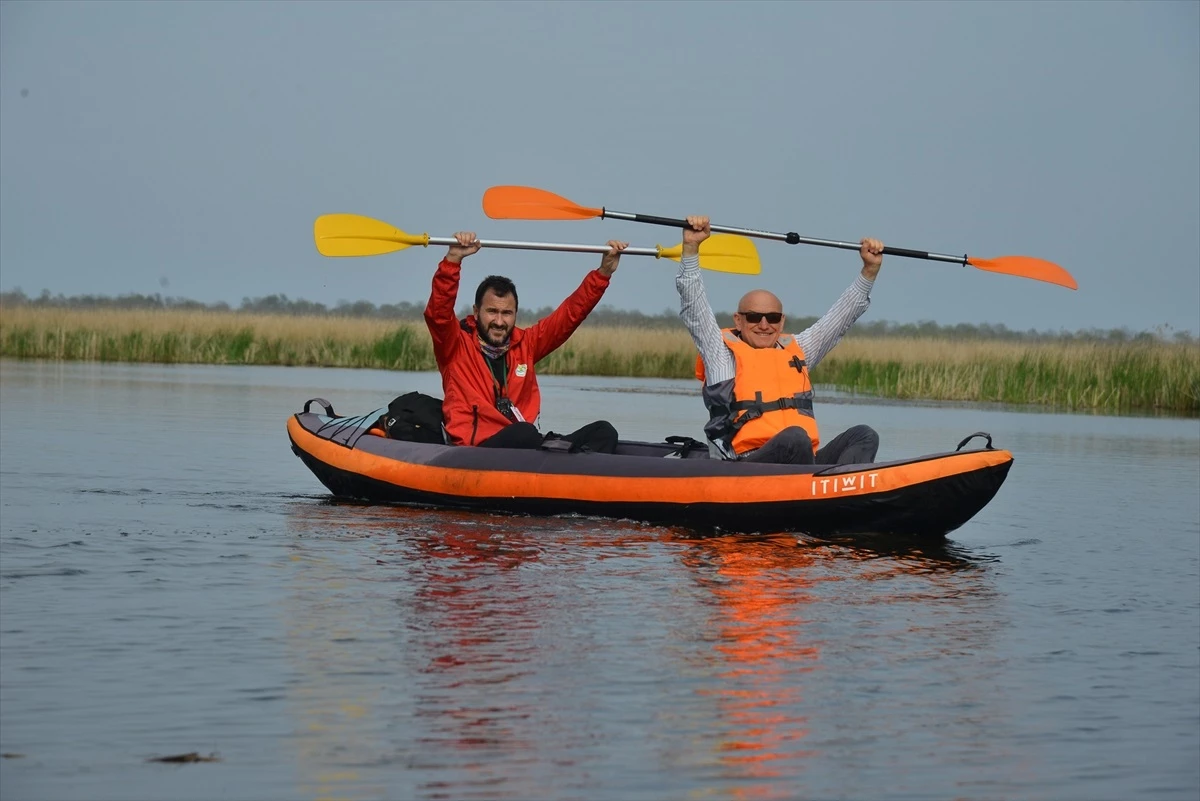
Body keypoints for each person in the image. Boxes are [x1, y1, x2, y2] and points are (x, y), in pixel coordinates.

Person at [676, 216, 883, 465]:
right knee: (795, 438)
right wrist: (691, 249)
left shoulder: (799, 349)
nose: (764, 325)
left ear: (781, 321)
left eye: (772, 318)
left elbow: (840, 319)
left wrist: (869, 271)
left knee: (864, 435)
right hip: (747, 464)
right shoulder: (720, 355)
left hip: (803, 458)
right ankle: (812, 493)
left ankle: (846, 491)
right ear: (738, 321)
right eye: (754, 317)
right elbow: (694, 309)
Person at [424, 231, 627, 452]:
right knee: (524, 432)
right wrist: (453, 262)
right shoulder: (454, 346)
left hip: (524, 446)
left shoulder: (527, 344)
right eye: (492, 312)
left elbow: (569, 316)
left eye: (507, 313)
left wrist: (604, 272)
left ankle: (572, 478)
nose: (499, 321)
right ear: (476, 312)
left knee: (604, 431)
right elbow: (438, 314)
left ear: (516, 314)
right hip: (478, 451)